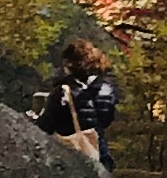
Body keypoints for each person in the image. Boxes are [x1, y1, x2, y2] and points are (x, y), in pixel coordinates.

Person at [36, 37, 120, 168]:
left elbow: (46, 125)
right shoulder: (106, 88)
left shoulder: (63, 91)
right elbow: (106, 120)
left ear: (70, 64)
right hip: (99, 153)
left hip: (70, 155)